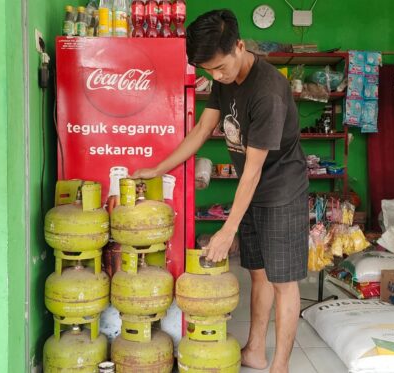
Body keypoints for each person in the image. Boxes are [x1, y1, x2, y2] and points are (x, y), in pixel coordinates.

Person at [132, 9, 309, 373]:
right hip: (253, 187)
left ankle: (281, 366)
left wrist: (227, 230)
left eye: (220, 68)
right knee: (257, 272)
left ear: (240, 46)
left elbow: (254, 170)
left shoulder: (268, 91)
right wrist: (156, 169)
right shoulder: (223, 77)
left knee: (283, 282)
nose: (215, 76)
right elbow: (201, 131)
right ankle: (255, 351)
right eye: (208, 70)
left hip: (281, 188)